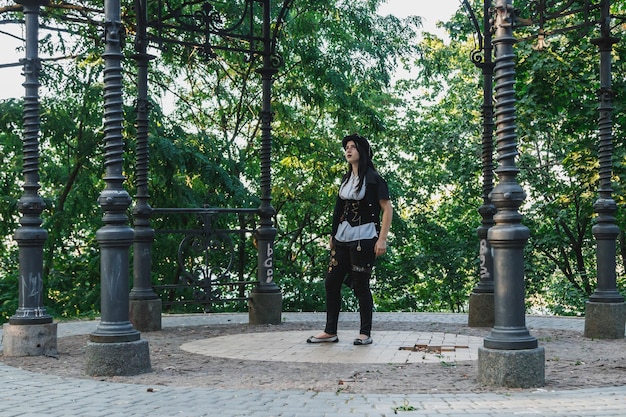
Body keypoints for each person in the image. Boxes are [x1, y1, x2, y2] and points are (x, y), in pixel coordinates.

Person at [307, 133, 393, 346]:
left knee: (360, 285)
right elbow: (339, 209)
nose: (348, 150)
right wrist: (333, 234)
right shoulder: (346, 180)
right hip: (342, 238)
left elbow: (387, 209)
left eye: (353, 147)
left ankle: (365, 333)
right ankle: (330, 331)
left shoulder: (374, 179)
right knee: (331, 282)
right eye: (346, 147)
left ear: (361, 152)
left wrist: (381, 239)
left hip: (364, 238)